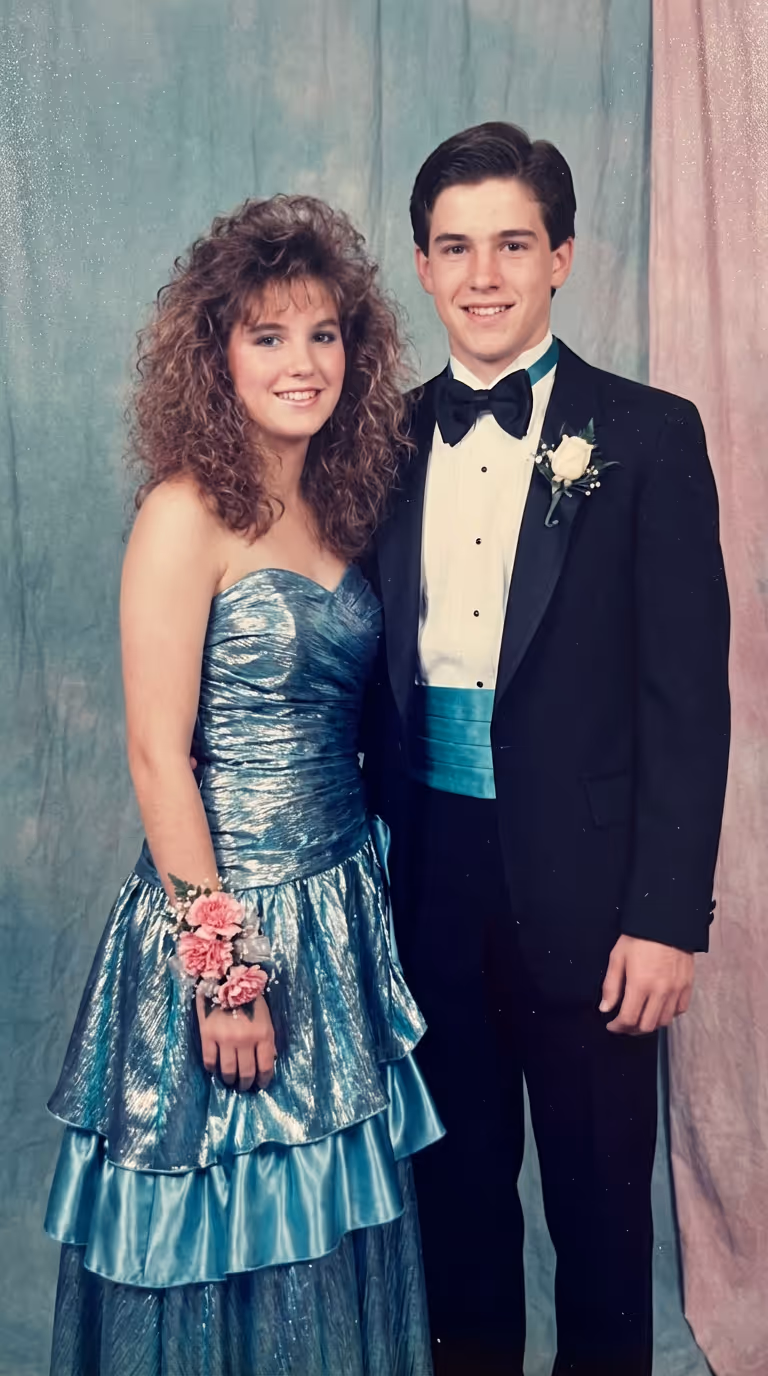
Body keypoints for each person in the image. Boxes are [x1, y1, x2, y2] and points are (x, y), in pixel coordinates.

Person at [44, 194, 443, 1376]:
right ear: (216, 352)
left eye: (323, 334)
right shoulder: (184, 512)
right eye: (268, 335)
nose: (301, 361)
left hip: (339, 910)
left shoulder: (343, 501)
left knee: (328, 1232)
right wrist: (222, 971)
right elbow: (156, 755)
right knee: (230, 1238)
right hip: (228, 918)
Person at [362, 122, 731, 1376]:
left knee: (601, 1224)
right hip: (429, 884)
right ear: (422, 263)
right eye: (455, 247)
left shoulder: (650, 434)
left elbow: (687, 701)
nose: (484, 276)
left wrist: (666, 916)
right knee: (457, 1216)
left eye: (512, 244)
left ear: (562, 256)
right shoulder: (380, 439)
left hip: (596, 898)